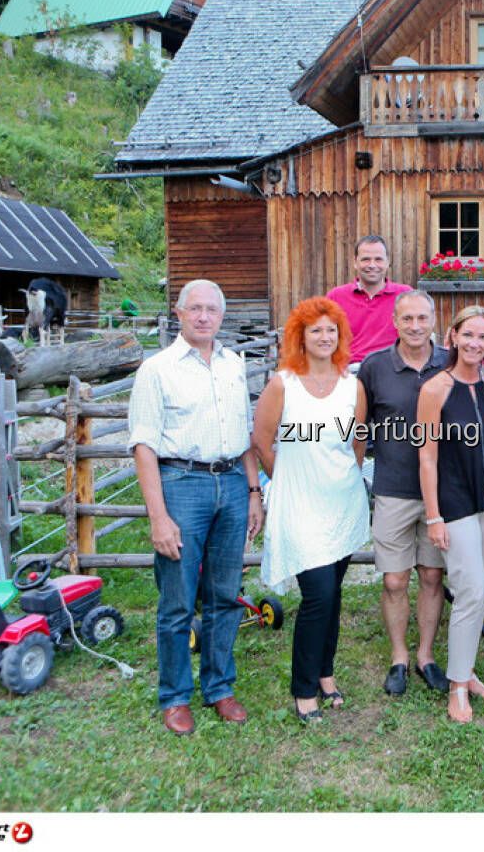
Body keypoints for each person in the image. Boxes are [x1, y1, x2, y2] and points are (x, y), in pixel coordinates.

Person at [129, 279, 264, 735]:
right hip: (181, 482)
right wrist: (158, 516)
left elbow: (246, 433)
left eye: (212, 310)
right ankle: (175, 697)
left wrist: (253, 492)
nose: (204, 316)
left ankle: (220, 688)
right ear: (179, 313)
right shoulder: (157, 369)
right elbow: (143, 446)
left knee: (225, 594)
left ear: (222, 317)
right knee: (178, 599)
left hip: (230, 480)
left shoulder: (232, 365)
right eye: (195, 309)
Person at [251, 297, 370, 722]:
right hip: (300, 506)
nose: (324, 337)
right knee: (318, 595)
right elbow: (262, 444)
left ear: (340, 337)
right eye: (315, 330)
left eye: (331, 330)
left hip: (342, 502)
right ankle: (303, 688)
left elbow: (357, 443)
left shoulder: (351, 385)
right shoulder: (283, 384)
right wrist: (289, 479)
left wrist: (342, 477)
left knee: (333, 594)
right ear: (299, 336)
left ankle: (325, 672)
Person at [417, 306, 484, 723]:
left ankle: (467, 671)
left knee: (483, 589)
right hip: (454, 502)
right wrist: (434, 516)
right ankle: (458, 687)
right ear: (453, 337)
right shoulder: (435, 389)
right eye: (468, 335)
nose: (475, 343)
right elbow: (427, 457)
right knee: (470, 590)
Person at [357, 290, 450, 696]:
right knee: (395, 580)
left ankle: (426, 655)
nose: (415, 326)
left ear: (434, 320)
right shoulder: (374, 367)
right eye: (407, 318)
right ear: (395, 321)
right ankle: (399, 656)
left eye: (422, 318)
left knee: (432, 575)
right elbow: (360, 428)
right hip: (393, 487)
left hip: (442, 492)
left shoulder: (451, 361)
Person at [326, 235, 412, 365]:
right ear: (355, 262)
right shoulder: (336, 297)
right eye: (366, 259)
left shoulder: (405, 295)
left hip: (392, 369)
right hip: (349, 371)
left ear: (387, 262)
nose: (372, 265)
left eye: (378, 259)